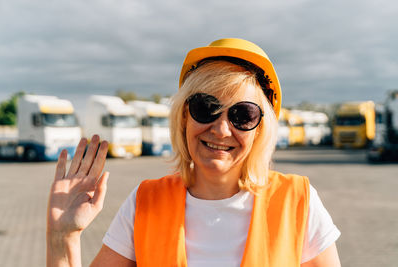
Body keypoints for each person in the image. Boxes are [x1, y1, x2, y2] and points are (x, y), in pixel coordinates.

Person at [47, 38, 341, 267]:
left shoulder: (298, 201)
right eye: (206, 108)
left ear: (260, 130)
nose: (222, 130)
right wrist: (63, 238)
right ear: (184, 117)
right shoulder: (145, 203)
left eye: (243, 115)